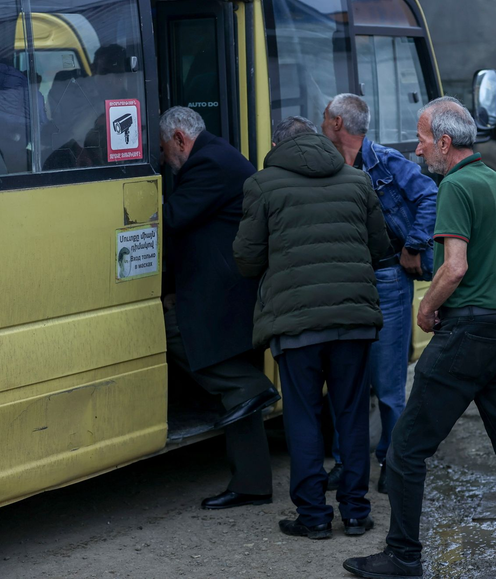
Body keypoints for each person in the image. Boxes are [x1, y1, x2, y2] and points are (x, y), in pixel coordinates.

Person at [344, 97, 496, 578]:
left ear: (442, 141)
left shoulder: (455, 186)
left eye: (420, 139)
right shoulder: (490, 179)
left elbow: (454, 268)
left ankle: (403, 556)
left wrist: (426, 305)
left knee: (406, 449)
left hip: (466, 333)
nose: (416, 150)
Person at [233, 116, 389, 540]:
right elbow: (380, 247)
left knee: (302, 416)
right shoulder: (357, 181)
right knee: (352, 415)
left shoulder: (263, 185)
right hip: (353, 322)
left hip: (296, 322)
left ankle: (314, 517)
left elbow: (246, 259)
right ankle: (356, 513)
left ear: (277, 145)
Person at [160, 106, 280, 510]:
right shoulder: (215, 154)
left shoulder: (209, 162)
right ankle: (252, 483)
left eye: (164, 149)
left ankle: (254, 387)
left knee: (179, 335)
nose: (163, 160)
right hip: (228, 287)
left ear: (179, 139)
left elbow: (173, 218)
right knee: (237, 397)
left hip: (225, 291)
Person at [322, 93, 437, 494]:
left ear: (337, 122)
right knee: (346, 382)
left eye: (325, 118)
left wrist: (414, 246)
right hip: (346, 281)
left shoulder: (384, 160)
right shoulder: (327, 163)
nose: (322, 125)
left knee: (387, 387)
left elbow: (429, 195)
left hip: (387, 278)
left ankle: (392, 461)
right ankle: (345, 463)